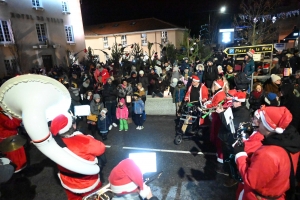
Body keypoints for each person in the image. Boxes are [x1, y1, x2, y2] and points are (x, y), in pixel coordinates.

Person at [234, 106, 300, 200]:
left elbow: (251, 181)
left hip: (259, 196)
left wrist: (240, 154)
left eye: (261, 121)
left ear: (268, 126)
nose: (258, 123)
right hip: (278, 193)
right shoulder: (290, 144)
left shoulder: (268, 154)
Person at [50, 114, 106, 200]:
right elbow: (101, 148)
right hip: (88, 181)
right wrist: (88, 137)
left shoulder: (53, 144)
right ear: (73, 125)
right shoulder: (84, 140)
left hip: (67, 181)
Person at [216, 91, 250, 187]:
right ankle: (230, 174)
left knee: (231, 160)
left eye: (235, 101)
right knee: (228, 159)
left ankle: (233, 177)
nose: (232, 102)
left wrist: (221, 113)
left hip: (231, 140)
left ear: (240, 102)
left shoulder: (243, 113)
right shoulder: (237, 109)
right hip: (227, 139)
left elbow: (230, 126)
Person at [0, 108, 27, 172]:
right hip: (7, 138)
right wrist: (18, 117)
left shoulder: (3, 109)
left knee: (20, 156)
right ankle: (17, 173)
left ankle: (22, 169)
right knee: (15, 158)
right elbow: (10, 125)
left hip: (13, 135)